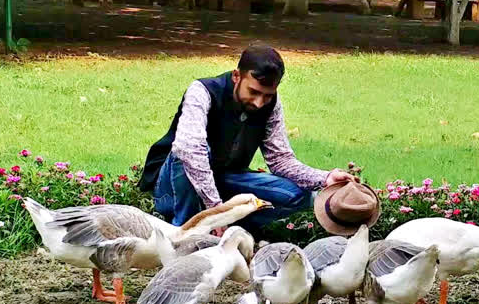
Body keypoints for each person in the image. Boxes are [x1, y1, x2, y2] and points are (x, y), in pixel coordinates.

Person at [138, 44, 357, 233]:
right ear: (236, 76)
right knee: (192, 149)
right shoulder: (202, 91)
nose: (260, 102)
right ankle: (187, 231)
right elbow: (189, 150)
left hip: (221, 181)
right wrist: (217, 211)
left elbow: (280, 160)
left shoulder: (271, 104)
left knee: (300, 195)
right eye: (253, 92)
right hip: (172, 190)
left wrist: (325, 178)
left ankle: (231, 229)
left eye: (267, 95)